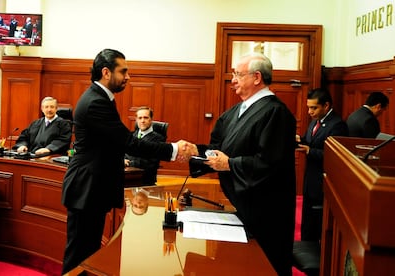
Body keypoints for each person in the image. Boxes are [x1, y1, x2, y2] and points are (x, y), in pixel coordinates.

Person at [60, 48, 196, 274]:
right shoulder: (96, 102)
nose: (128, 77)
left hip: (92, 188)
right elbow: (129, 142)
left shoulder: (101, 97)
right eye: (123, 71)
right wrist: (173, 149)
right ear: (106, 72)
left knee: (89, 253)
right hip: (86, 187)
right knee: (79, 257)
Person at [194, 53, 297, 276]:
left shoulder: (275, 112)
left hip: (266, 214)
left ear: (257, 77)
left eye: (238, 74)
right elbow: (219, 147)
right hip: (242, 205)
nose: (232, 80)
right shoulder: (237, 110)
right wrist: (195, 152)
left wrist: (230, 164)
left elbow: (270, 163)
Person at [296, 88, 348, 242]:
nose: (309, 112)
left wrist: (310, 151)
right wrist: (300, 140)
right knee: (307, 220)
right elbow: (309, 140)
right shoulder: (315, 122)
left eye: (314, 108)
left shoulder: (338, 125)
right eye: (308, 107)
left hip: (323, 182)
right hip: (310, 180)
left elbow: (336, 156)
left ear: (326, 106)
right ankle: (305, 247)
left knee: (318, 225)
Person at [124, 106, 165, 185]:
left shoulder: (158, 139)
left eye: (145, 118)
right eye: (140, 118)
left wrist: (129, 163)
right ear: (136, 120)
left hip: (145, 181)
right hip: (127, 178)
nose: (142, 121)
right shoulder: (131, 136)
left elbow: (150, 163)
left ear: (151, 119)